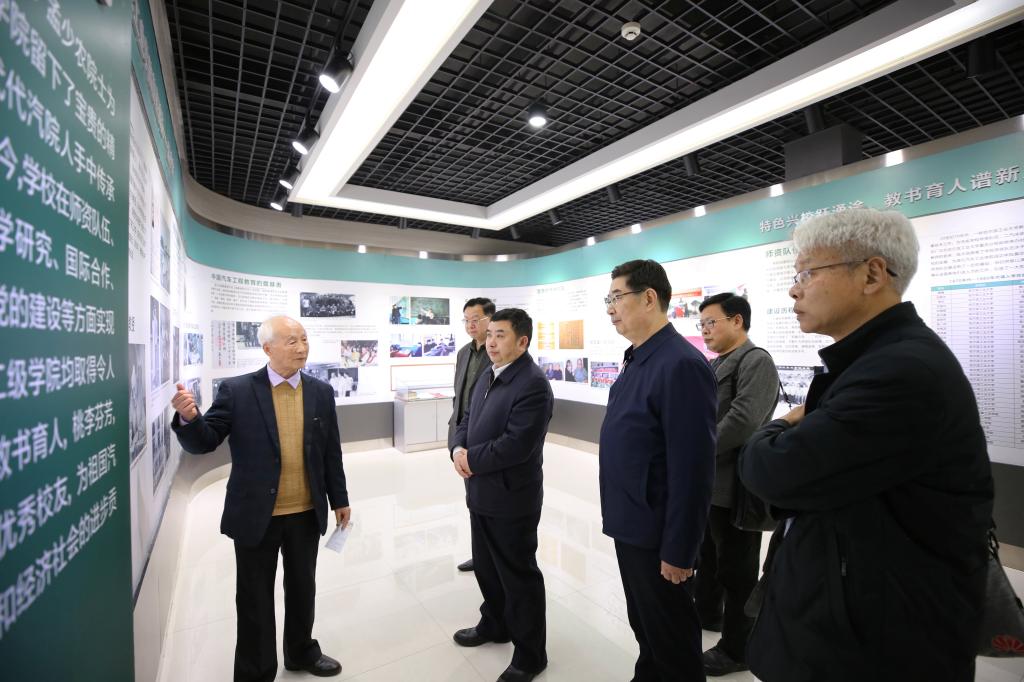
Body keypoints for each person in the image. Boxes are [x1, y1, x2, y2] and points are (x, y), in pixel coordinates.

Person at [739, 209, 993, 682]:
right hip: (854, 619)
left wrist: (775, 427)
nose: (794, 289)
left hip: (879, 641)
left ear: (872, 274)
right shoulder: (878, 360)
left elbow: (772, 471)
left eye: (807, 273)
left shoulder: (901, 372)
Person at [171, 315, 351, 682]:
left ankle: (301, 651)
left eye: (304, 339)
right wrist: (189, 420)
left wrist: (340, 499)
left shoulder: (320, 391)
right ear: (267, 348)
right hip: (256, 514)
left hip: (305, 510)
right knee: (254, 598)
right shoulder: (237, 391)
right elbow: (206, 441)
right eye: (291, 341)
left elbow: (330, 452)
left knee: (303, 589)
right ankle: (256, 671)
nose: (301, 347)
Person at [598, 259, 717, 682]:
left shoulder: (680, 364)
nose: (610, 308)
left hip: (657, 532)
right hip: (633, 522)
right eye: (608, 299)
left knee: (671, 638)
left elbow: (693, 469)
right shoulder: (639, 358)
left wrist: (680, 549)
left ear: (649, 298)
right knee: (646, 626)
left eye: (617, 297)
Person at [451, 308, 553, 682]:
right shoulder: (488, 374)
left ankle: (530, 655)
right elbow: (466, 419)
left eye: (501, 335)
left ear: (522, 341)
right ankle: (495, 623)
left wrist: (471, 459)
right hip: (480, 491)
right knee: (487, 567)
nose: (491, 342)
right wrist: (457, 448)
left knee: (517, 576)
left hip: (512, 498)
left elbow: (516, 445)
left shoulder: (533, 384)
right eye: (490, 334)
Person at [692, 292, 780, 676]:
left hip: (737, 488)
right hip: (710, 483)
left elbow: (743, 420)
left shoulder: (755, 360)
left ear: (737, 321)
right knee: (709, 558)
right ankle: (708, 614)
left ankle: (738, 648)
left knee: (737, 569)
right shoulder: (717, 363)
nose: (705, 330)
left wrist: (695, 450)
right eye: (701, 324)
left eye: (711, 322)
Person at [448, 297, 495, 573]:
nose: (470, 325)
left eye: (475, 319)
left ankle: (491, 555)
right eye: (466, 320)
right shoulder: (463, 353)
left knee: (488, 501)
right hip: (463, 436)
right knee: (472, 499)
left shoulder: (497, 351)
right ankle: (480, 555)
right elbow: (459, 395)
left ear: (490, 318)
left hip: (486, 440)